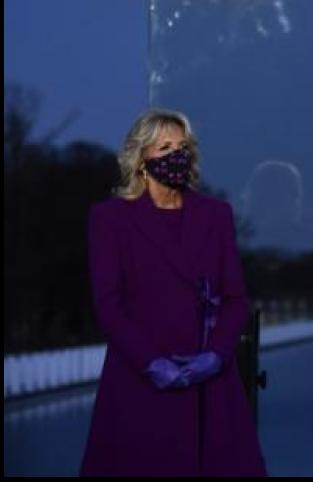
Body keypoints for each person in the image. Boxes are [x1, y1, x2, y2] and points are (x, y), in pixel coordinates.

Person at [81, 109, 267, 476]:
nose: (176, 155)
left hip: (209, 384)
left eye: (182, 146)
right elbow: (108, 305)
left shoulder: (216, 215)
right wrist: (152, 363)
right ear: (140, 159)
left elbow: (235, 299)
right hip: (139, 380)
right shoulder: (110, 219)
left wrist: (215, 356)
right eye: (164, 147)